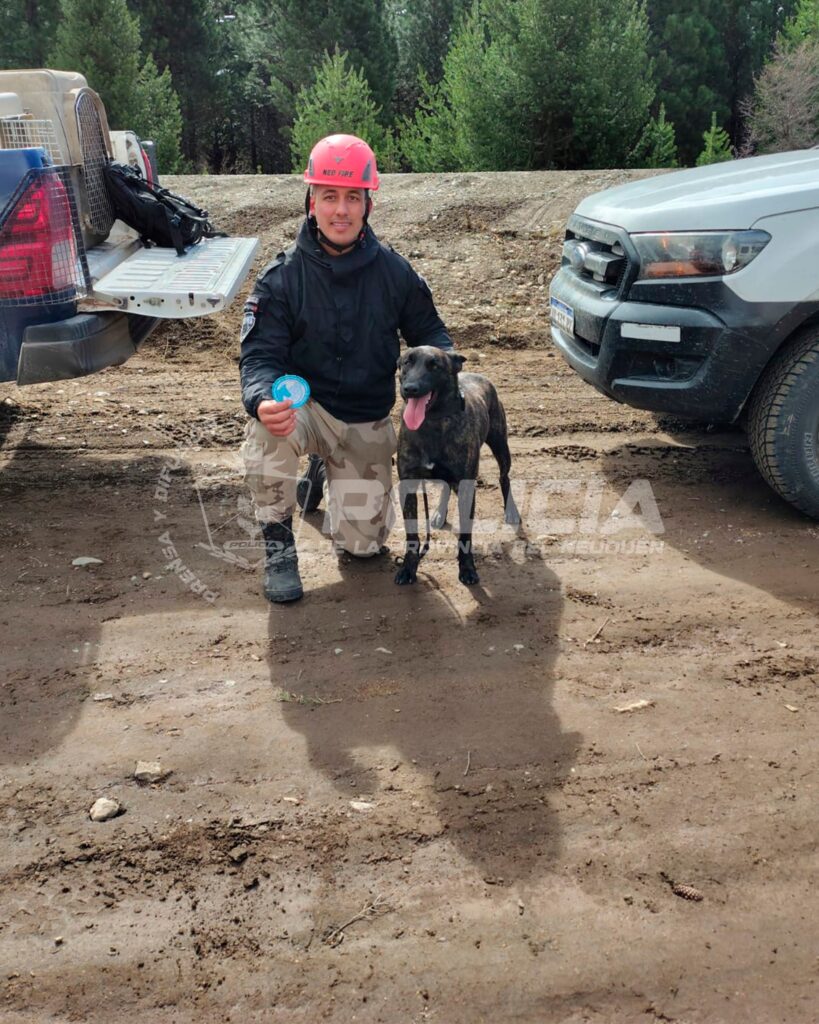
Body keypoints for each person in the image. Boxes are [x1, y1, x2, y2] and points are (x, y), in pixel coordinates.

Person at [239, 133, 454, 603]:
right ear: (310, 202)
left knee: (364, 548)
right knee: (266, 431)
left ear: (368, 205)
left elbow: (433, 336)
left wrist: (441, 380)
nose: (341, 210)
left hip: (365, 417)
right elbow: (259, 358)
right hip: (306, 408)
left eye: (352, 198)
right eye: (329, 196)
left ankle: (323, 471)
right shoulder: (281, 279)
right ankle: (279, 548)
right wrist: (262, 398)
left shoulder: (396, 274)